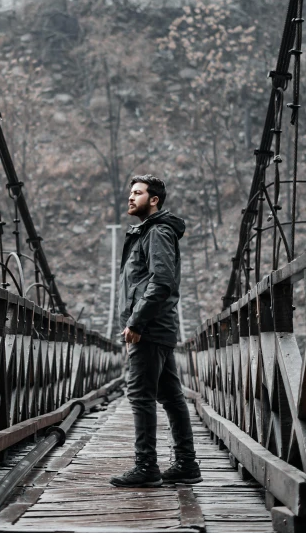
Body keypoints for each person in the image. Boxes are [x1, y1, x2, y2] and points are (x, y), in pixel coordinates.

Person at [110, 174, 202, 488]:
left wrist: (135, 323)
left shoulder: (157, 232)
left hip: (149, 327)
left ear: (154, 200)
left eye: (137, 193)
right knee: (171, 397)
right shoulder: (147, 232)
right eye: (130, 193)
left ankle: (147, 467)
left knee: (140, 396)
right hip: (155, 326)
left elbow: (161, 282)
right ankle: (186, 464)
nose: (131, 198)